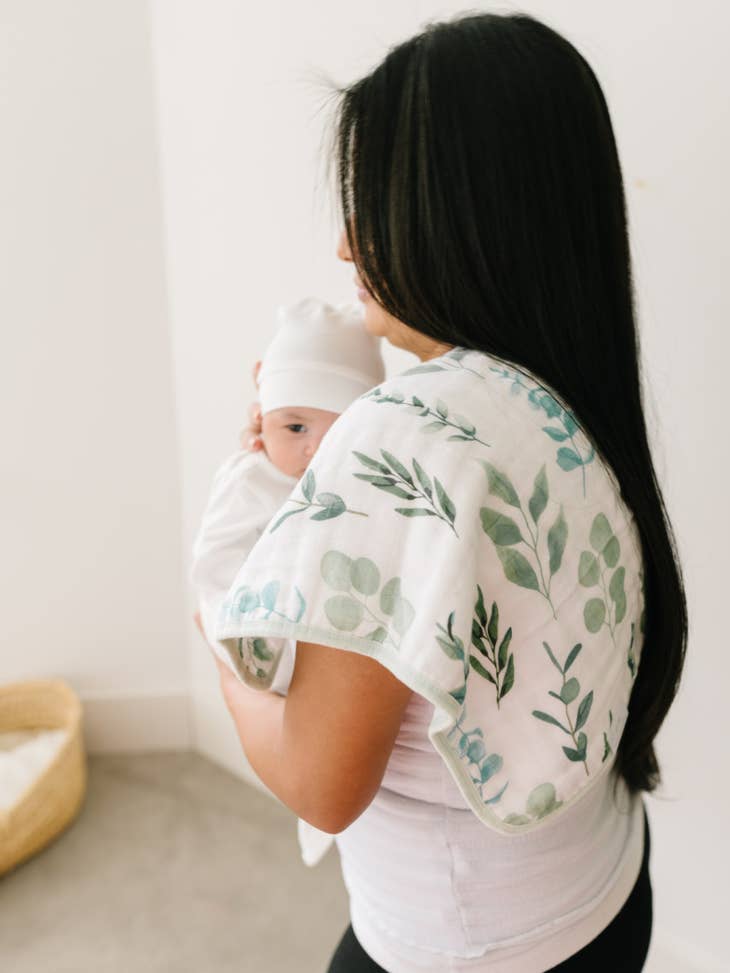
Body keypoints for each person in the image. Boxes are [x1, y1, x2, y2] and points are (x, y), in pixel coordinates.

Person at [212, 12, 687, 972]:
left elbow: (319, 782)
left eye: (369, 203)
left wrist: (216, 621)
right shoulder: (558, 388)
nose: (347, 246)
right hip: (607, 895)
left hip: (461, 946)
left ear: (456, 211)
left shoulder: (402, 438)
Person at [190, 296, 384, 866]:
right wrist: (239, 640)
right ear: (261, 419)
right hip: (259, 623)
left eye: (338, 429)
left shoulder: (365, 480)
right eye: (294, 426)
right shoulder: (251, 478)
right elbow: (216, 563)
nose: (314, 448)